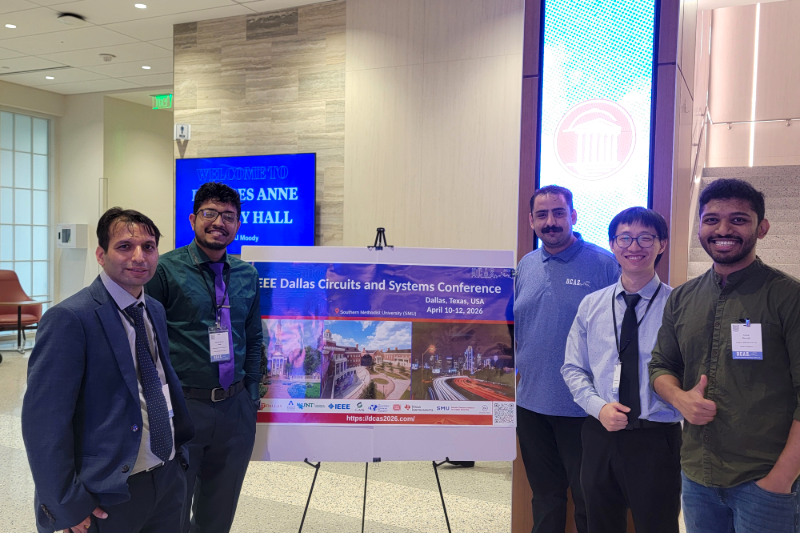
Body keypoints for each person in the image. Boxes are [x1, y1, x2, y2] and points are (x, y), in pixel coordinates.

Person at [21, 208, 194, 533]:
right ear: (101, 254)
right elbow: (43, 422)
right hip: (109, 492)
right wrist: (66, 503)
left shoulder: (153, 309)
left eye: (149, 246)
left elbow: (155, 382)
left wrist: (178, 461)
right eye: (125, 246)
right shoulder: (70, 319)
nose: (139, 256)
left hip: (167, 478)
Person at [650, 178, 800, 533]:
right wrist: (679, 398)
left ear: (761, 228)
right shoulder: (682, 298)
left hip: (765, 481)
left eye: (738, 219)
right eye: (712, 219)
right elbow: (661, 365)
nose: (723, 229)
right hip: (698, 477)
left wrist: (782, 478)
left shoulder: (787, 298)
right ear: (700, 227)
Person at [146, 182, 263, 533]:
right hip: (184, 407)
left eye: (229, 216)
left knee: (219, 511)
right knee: (174, 510)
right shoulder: (164, 271)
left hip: (235, 409)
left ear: (238, 225)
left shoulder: (247, 274)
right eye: (210, 213)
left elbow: (254, 337)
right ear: (194, 219)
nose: (219, 222)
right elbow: (147, 343)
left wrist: (251, 396)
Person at [562, 207, 682, 533]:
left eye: (646, 238)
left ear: (662, 244)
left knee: (657, 525)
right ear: (613, 245)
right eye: (625, 238)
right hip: (600, 434)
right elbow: (573, 368)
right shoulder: (592, 305)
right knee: (599, 524)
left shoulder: (679, 306)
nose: (634, 247)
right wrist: (598, 408)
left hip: (656, 439)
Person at [514, 185, 619, 533]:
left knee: (590, 498)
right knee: (545, 496)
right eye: (542, 215)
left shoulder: (604, 264)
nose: (551, 222)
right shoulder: (526, 265)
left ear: (573, 216)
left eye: (559, 213)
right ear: (531, 221)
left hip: (584, 407)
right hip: (530, 405)